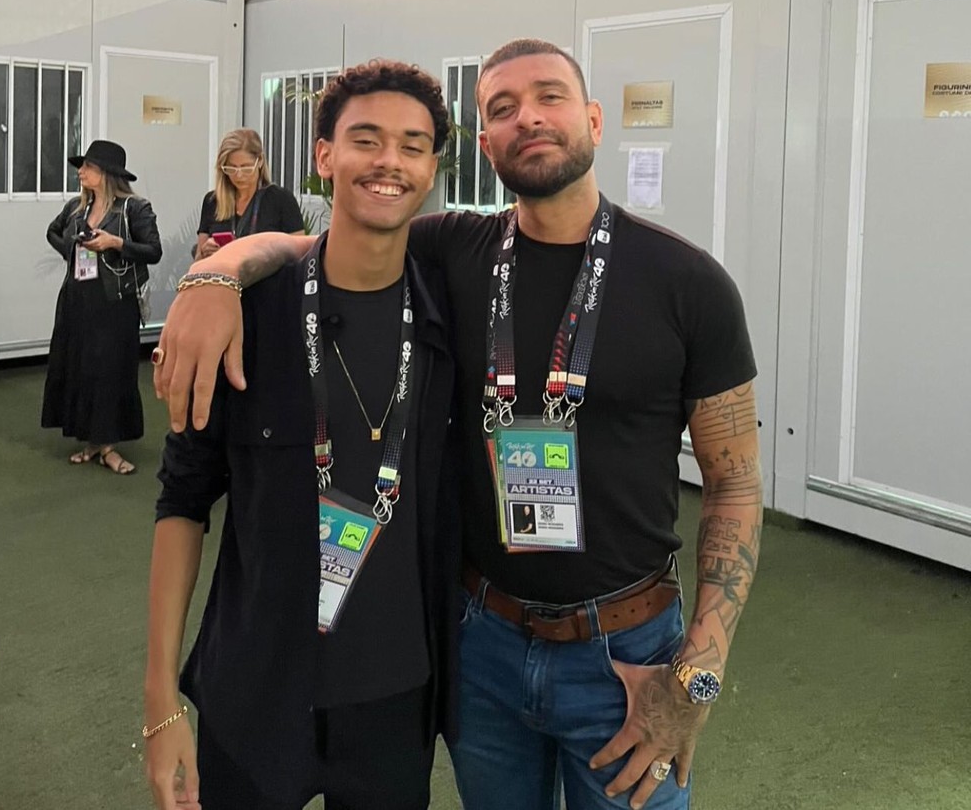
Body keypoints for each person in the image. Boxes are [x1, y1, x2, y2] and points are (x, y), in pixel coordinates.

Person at [153, 39, 763, 810]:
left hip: (625, 657)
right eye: (501, 108)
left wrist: (697, 677)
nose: (529, 117)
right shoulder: (454, 251)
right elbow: (316, 243)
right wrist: (210, 276)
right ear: (483, 144)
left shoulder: (690, 286)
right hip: (483, 651)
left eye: (550, 96)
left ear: (596, 120)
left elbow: (736, 488)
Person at [143, 61, 459, 810]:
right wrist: (159, 703)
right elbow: (183, 501)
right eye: (367, 139)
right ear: (324, 156)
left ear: (432, 167)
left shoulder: (454, 312)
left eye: (413, 145)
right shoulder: (250, 318)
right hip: (252, 688)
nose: (390, 161)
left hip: (393, 698)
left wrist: (220, 265)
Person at [42, 139, 162, 474]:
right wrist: (72, 249)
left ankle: (108, 445)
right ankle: (93, 441)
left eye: (88, 167)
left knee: (110, 372)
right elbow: (52, 232)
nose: (81, 172)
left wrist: (115, 243)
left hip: (115, 304)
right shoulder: (76, 208)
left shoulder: (134, 209)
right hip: (77, 301)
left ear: (107, 173)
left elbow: (153, 251)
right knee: (80, 369)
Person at [193, 127, 304, 261]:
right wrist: (205, 252)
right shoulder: (213, 201)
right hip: (223, 278)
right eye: (231, 168)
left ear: (260, 161)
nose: (239, 175)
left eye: (246, 167)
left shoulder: (281, 200)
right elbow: (197, 263)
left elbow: (300, 255)